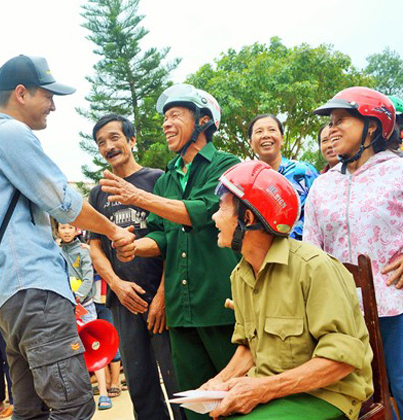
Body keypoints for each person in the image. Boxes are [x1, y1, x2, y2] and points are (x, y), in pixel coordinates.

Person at [0, 54, 135, 420]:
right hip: (34, 289)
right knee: (73, 403)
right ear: (21, 93)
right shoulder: (9, 133)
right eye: (48, 95)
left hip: (9, 296)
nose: (53, 105)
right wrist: (115, 229)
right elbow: (64, 202)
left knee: (33, 408)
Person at [100, 84, 240, 420]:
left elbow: (204, 212)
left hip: (219, 306)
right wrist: (134, 247)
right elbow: (162, 237)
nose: (165, 124)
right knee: (192, 404)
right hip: (182, 312)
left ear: (203, 120)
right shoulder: (167, 179)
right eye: (164, 117)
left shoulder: (227, 164)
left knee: (232, 398)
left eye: (175, 115)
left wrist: (138, 197)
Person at [201, 160, 372, 419]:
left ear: (247, 218)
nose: (214, 217)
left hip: (327, 394)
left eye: (222, 208)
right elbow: (249, 346)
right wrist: (218, 383)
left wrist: (262, 389)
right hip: (275, 390)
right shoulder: (240, 275)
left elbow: (342, 361)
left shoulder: (314, 268)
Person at [304, 86, 403, 419]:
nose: (331, 129)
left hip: (400, 305)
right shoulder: (323, 184)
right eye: (329, 122)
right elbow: (311, 248)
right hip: (344, 311)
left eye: (341, 120)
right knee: (359, 398)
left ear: (372, 126)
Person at [88, 113, 182, 420]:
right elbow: (95, 247)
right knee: (141, 387)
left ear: (131, 140)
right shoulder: (99, 192)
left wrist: (164, 295)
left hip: (163, 299)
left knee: (178, 382)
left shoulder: (157, 180)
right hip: (124, 303)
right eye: (101, 142)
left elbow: (175, 238)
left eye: (115, 138)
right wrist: (116, 283)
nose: (108, 146)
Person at [57, 221, 113, 411]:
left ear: (76, 230)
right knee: (72, 351)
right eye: (62, 227)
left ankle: (104, 393)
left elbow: (88, 277)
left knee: (94, 348)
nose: (66, 231)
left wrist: (78, 297)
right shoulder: (55, 251)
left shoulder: (83, 250)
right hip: (65, 308)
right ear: (57, 230)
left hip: (85, 306)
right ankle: (82, 397)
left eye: (70, 227)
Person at [246, 114, 318, 240]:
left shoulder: (303, 172)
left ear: (282, 138)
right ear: (251, 143)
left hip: (304, 252)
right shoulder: (248, 182)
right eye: (259, 131)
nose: (266, 135)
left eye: (272, 130)